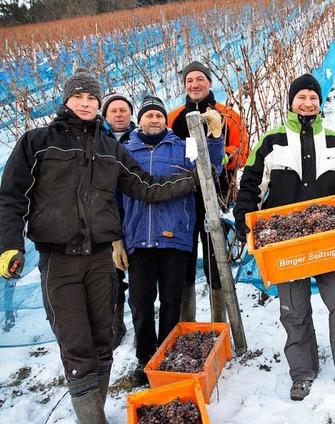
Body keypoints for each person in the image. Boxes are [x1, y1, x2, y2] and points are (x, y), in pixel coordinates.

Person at [0, 67, 197, 423]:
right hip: (58, 259)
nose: (86, 103)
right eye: (79, 96)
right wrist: (9, 245)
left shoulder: (110, 148)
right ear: (66, 100)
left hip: (100, 259)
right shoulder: (38, 141)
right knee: (76, 343)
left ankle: (96, 411)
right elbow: (11, 195)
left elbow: (146, 186)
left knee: (104, 336)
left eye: (92, 97)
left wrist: (191, 182)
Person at [233, 74, 335, 405]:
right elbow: (251, 182)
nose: (307, 103)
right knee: (293, 308)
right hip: (284, 242)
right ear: (291, 102)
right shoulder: (272, 140)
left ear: (320, 102)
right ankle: (302, 371)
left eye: (313, 97)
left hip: (329, 238)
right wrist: (244, 215)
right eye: (301, 97)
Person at [122, 95, 225, 386]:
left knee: (171, 300)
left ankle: (166, 356)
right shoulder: (124, 150)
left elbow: (210, 170)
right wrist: (118, 238)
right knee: (140, 302)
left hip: (175, 235)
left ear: (165, 120)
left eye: (158, 115)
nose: (153, 120)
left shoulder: (184, 146)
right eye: (148, 115)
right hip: (139, 237)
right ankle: (145, 359)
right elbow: (114, 197)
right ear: (139, 120)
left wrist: (215, 136)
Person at [168, 60, 250, 323]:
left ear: (210, 83)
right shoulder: (173, 118)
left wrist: (222, 158)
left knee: (217, 259)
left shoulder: (228, 115)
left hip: (219, 196)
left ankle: (220, 320)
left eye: (199, 79)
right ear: (184, 86)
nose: (194, 84)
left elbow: (242, 153)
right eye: (189, 80)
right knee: (185, 259)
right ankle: (187, 323)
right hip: (183, 199)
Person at [102, 91, 136, 349]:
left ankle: (140, 325)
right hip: (105, 215)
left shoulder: (138, 138)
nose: (119, 114)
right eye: (113, 110)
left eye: (123, 109)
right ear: (105, 116)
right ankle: (114, 325)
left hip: (134, 214)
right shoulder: (96, 140)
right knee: (111, 277)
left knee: (135, 273)